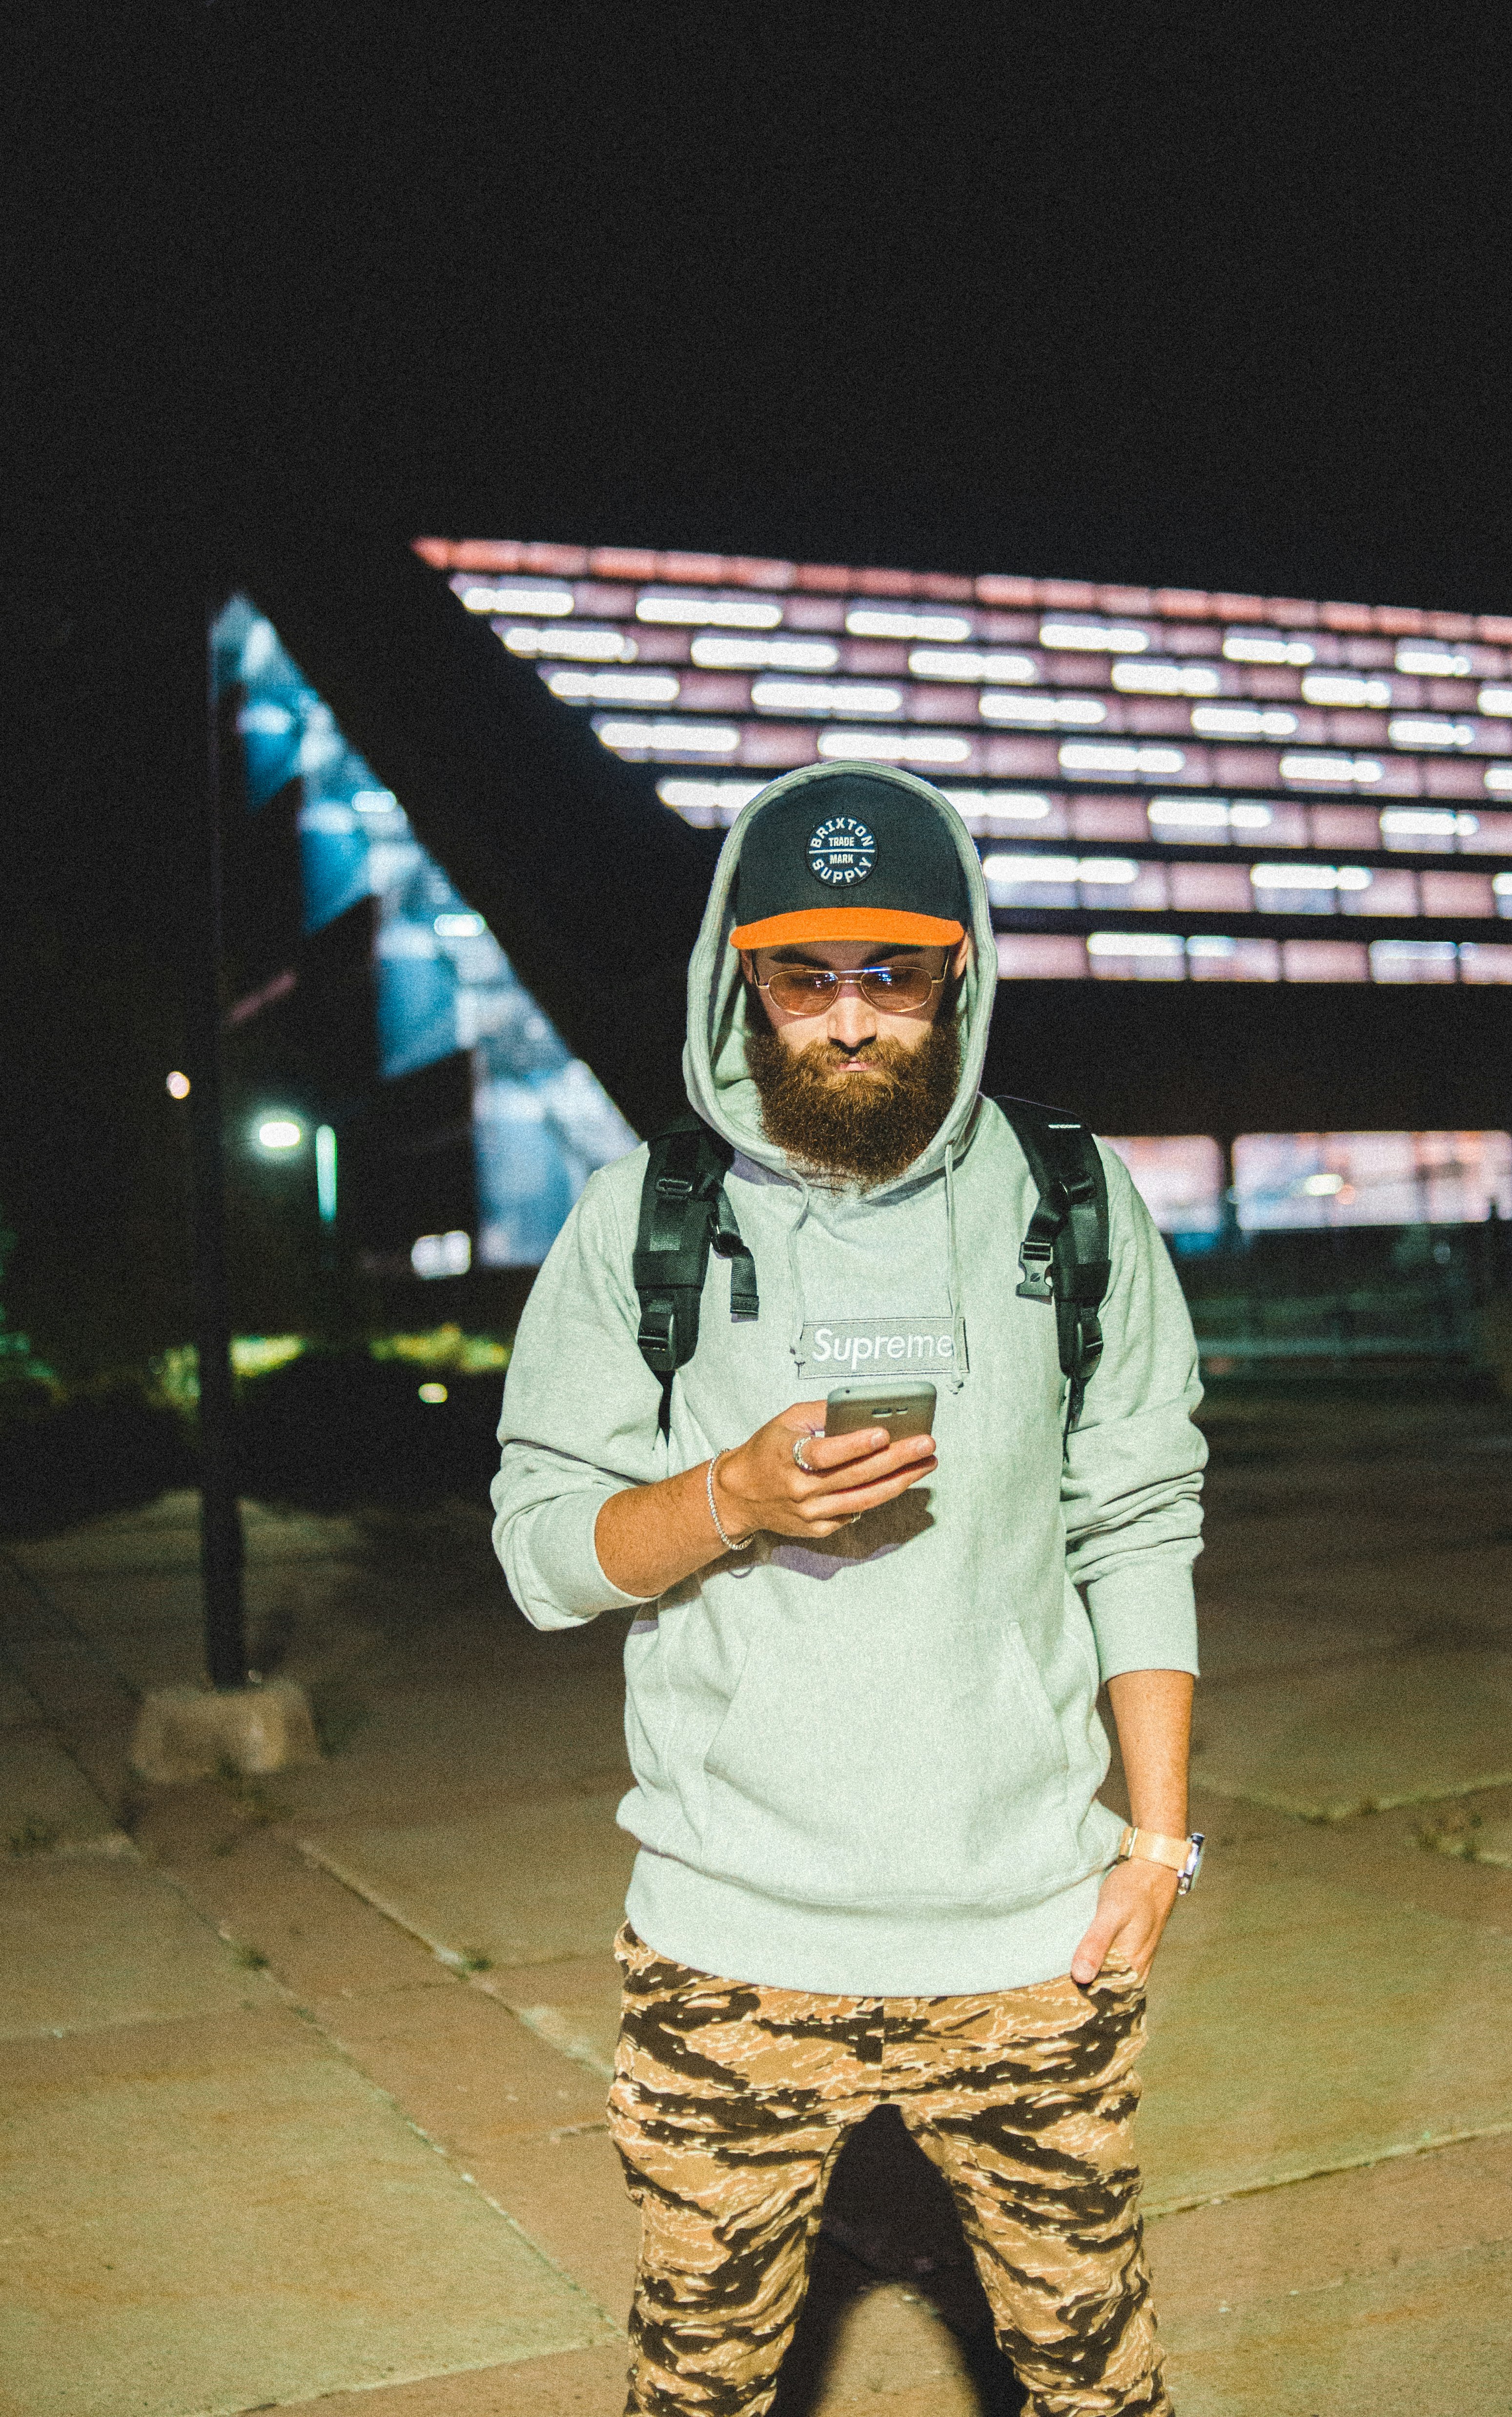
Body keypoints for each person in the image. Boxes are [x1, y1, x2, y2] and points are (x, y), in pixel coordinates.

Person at [494, 761, 1206, 2417]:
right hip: (727, 1947)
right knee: (701, 2393)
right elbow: (541, 1556)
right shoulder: (641, 1223)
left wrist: (1155, 1844)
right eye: (802, 975)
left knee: (1100, 2387)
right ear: (737, 979)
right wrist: (724, 1501)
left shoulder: (1077, 1206)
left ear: (960, 971)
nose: (848, 1021)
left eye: (893, 971)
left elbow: (1141, 1522)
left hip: (1033, 1937)